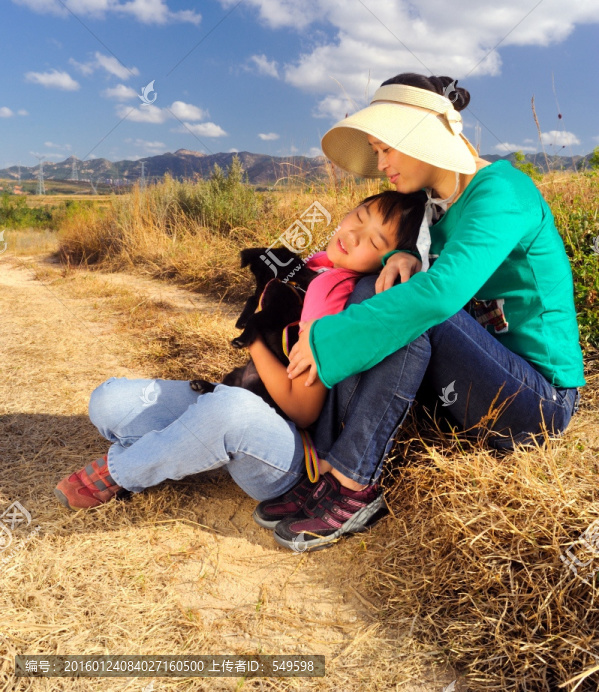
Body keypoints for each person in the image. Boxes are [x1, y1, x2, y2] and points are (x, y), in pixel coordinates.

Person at [266, 72, 584, 552]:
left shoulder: (503, 191)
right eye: (375, 151)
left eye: (386, 148)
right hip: (475, 379)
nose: (381, 164)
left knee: (416, 309)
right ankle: (330, 465)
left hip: (538, 403)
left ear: (423, 132)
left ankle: (356, 484)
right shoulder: (433, 210)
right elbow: (419, 281)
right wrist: (404, 256)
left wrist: (326, 336)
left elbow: (439, 297)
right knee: (381, 285)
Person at [54, 190, 425, 513]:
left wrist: (255, 339)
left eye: (375, 243)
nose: (354, 235)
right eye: (358, 217)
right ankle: (193, 445)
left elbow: (303, 409)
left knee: (226, 409)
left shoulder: (334, 297)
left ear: (385, 262)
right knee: (107, 400)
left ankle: (125, 471)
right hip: (248, 411)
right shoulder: (316, 266)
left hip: (288, 457)